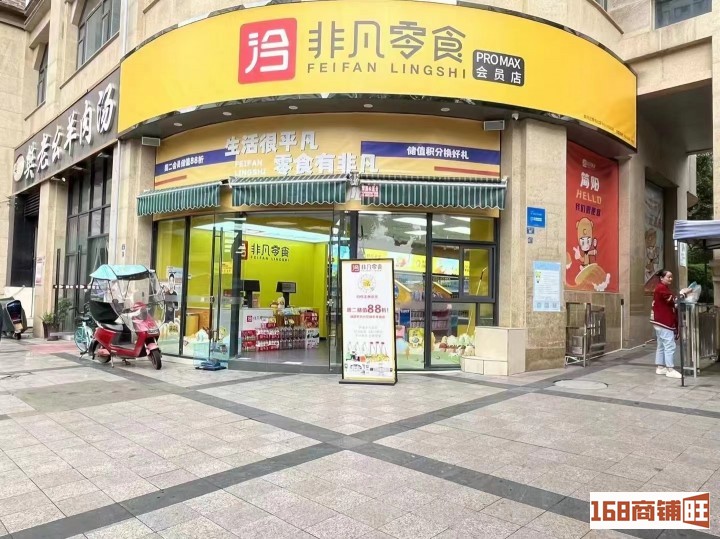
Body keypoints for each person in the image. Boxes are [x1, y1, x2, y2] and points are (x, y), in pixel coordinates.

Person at [651, 269, 691, 378]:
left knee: (661, 345)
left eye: (671, 277)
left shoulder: (661, 287)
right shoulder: (661, 288)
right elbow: (673, 300)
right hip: (663, 321)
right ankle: (670, 369)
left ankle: (660, 367)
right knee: (669, 345)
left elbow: (669, 302)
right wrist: (684, 293)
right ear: (661, 278)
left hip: (659, 320)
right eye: (668, 277)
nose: (670, 279)